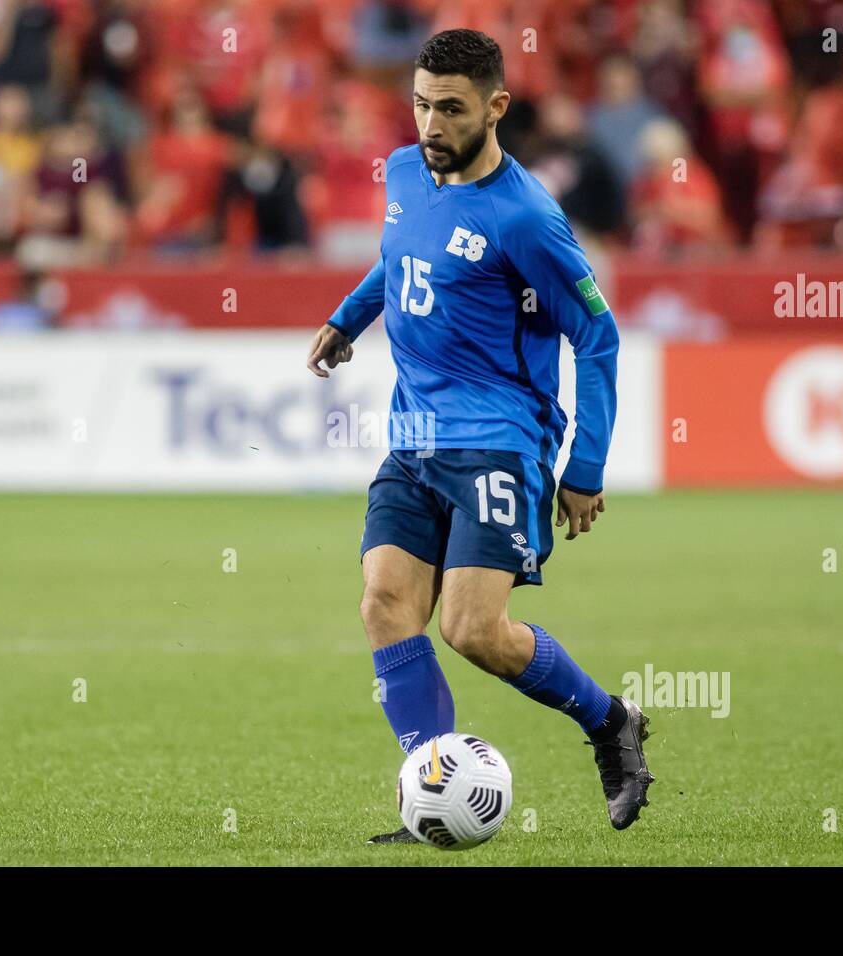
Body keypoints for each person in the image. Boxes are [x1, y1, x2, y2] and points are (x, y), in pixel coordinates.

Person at [305, 29, 654, 844]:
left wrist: (586, 465)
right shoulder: (400, 173)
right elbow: (398, 259)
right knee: (386, 603)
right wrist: (346, 318)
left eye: (451, 108)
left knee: (471, 630)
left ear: (496, 106)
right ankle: (434, 793)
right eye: (422, 103)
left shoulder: (525, 217)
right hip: (413, 434)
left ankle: (609, 723)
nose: (431, 122)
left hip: (501, 438)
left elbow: (597, 337)